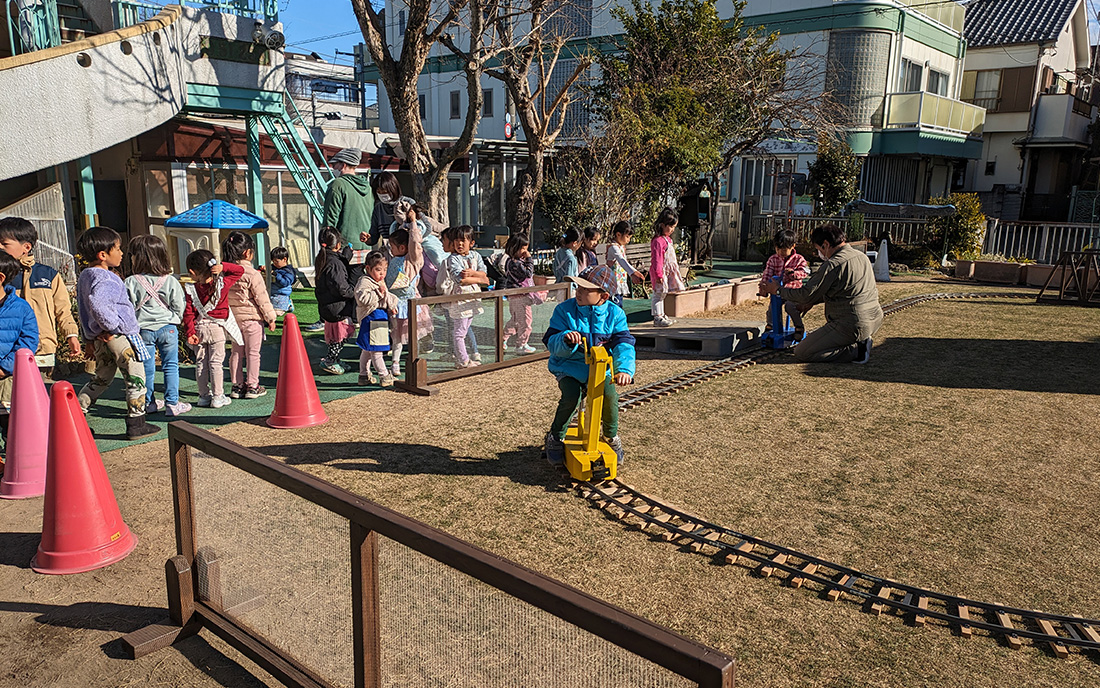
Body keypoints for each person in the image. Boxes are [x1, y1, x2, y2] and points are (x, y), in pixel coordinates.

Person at [542, 265, 636, 467]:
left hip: (601, 370)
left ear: (604, 296)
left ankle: (610, 436)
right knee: (571, 396)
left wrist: (624, 370)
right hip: (569, 367)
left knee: (610, 396)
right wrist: (565, 340)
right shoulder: (564, 310)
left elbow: (623, 344)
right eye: (578, 287)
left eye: (586, 289)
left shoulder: (615, 314)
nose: (579, 292)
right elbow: (550, 342)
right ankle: (556, 436)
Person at [75, 227, 158, 439]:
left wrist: (90, 337)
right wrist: (112, 327)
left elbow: (85, 309)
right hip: (118, 336)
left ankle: (76, 416)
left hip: (99, 337)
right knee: (135, 377)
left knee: (101, 378)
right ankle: (136, 423)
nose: (122, 253)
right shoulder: (107, 278)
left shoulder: (85, 276)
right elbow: (98, 305)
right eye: (118, 249)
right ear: (103, 255)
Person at [762, 223, 882, 364]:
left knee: (803, 352)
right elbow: (843, 290)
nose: (818, 253)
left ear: (825, 244)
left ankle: (856, 350)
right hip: (874, 318)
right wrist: (811, 302)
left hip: (850, 324)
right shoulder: (861, 256)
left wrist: (778, 290)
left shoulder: (833, 264)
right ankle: (860, 340)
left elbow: (806, 294)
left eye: (818, 249)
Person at [0, 217, 81, 378]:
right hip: (9, 354)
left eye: (4, 243)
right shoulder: (3, 278)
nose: (0, 247)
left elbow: (63, 310)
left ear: (26, 247)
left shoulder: (48, 275)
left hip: (43, 352)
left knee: (39, 390)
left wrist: (71, 334)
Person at [124, 235, 189, 417]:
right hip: (168, 327)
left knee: (147, 368)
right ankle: (172, 403)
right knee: (171, 366)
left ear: (137, 257)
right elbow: (179, 305)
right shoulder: (170, 280)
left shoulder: (130, 281)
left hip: (143, 330)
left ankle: (149, 403)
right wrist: (174, 318)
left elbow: (127, 308)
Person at [182, 250, 245, 408]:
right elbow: (239, 270)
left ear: (192, 272)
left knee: (201, 363)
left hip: (199, 328)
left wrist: (190, 332)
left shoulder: (191, 289)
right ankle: (218, 396)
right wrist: (223, 266)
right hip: (217, 328)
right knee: (216, 363)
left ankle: (203, 396)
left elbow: (188, 313)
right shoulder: (222, 284)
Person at [222, 231, 277, 400]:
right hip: (252, 320)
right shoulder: (252, 274)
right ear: (247, 253)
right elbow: (262, 298)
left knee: (236, 353)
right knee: (253, 353)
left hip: (233, 320)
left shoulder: (226, 272)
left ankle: (237, 385)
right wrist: (270, 318)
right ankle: (253, 385)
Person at [0, 252, 40, 459]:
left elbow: (28, 342)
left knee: (11, 423)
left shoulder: (21, 308)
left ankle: (15, 464)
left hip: (7, 377)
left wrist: (5, 367)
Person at [385, 203, 432, 377]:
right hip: (396, 303)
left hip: (410, 304)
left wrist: (413, 223)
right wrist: (405, 222)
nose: (391, 250)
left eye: (393, 247)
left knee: (413, 335)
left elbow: (414, 242)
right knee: (396, 336)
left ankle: (414, 361)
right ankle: (395, 363)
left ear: (403, 247)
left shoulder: (412, 259)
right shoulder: (394, 259)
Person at [443, 225, 489, 369]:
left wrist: (473, 274)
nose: (460, 244)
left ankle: (462, 359)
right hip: (460, 299)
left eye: (463, 240)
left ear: (471, 242)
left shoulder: (476, 256)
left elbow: (484, 273)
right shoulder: (452, 259)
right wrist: (480, 279)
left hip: (473, 298)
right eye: (457, 240)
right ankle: (463, 360)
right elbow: (460, 280)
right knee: (459, 332)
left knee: (464, 329)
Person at [314, 227, 357, 375]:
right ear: (338, 244)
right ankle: (330, 360)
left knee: (335, 336)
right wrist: (355, 292)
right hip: (338, 307)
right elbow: (341, 288)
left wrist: (345, 257)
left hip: (327, 305)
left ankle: (334, 359)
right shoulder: (335, 263)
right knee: (341, 336)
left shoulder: (322, 258)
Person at [354, 251, 399, 387]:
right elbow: (362, 299)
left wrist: (391, 305)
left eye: (384, 270)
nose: (382, 273)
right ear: (368, 268)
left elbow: (386, 296)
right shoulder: (365, 282)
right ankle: (384, 375)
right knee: (376, 349)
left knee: (368, 349)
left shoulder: (379, 281)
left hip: (380, 317)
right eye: (378, 270)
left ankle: (363, 375)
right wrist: (379, 292)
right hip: (371, 318)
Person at [758, 229, 811, 337]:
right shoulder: (773, 259)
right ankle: (771, 325)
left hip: (793, 291)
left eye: (783, 250)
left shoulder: (799, 259)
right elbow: (767, 274)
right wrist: (763, 288)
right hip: (777, 291)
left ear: (793, 246)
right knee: (772, 307)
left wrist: (793, 274)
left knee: (790, 307)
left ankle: (799, 327)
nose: (780, 252)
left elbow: (805, 272)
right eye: (777, 249)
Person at [323, 147, 373, 251]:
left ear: (343, 165)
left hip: (344, 248)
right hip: (366, 247)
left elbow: (330, 219)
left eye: (334, 164)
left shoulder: (338, 185)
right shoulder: (367, 187)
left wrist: (327, 244)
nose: (333, 168)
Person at [500, 233, 537, 355]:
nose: (525, 252)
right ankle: (521, 345)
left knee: (516, 320)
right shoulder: (515, 263)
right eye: (523, 249)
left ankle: (502, 338)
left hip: (515, 296)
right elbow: (528, 273)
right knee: (526, 321)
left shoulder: (511, 261)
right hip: (520, 296)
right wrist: (529, 259)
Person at [650, 207, 685, 327]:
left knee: (663, 293)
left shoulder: (667, 240)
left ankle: (662, 314)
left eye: (674, 227)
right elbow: (657, 259)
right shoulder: (658, 241)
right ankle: (657, 317)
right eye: (670, 226)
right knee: (658, 294)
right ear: (662, 225)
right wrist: (658, 274)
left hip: (666, 271)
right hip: (660, 271)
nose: (672, 229)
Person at [605, 220, 644, 307]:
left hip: (620, 282)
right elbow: (621, 260)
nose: (628, 240)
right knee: (614, 306)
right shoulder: (613, 248)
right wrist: (632, 273)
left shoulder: (621, 247)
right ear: (618, 234)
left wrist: (635, 272)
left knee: (619, 305)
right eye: (627, 237)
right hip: (614, 284)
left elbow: (624, 261)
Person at [364, 171, 401, 247]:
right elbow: (374, 236)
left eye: (385, 191)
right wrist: (367, 239)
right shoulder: (378, 208)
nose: (382, 194)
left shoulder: (407, 203)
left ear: (393, 188)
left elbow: (423, 228)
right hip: (388, 250)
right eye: (379, 191)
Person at [269, 246, 301, 316]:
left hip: (282, 294)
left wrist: (276, 274)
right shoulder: (273, 267)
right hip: (272, 293)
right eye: (273, 261)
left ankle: (288, 304)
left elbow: (285, 283)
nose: (274, 263)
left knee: (277, 313)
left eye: (277, 261)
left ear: (284, 259)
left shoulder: (289, 271)